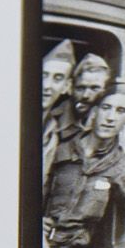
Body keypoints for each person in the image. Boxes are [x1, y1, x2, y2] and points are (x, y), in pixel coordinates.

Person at [43, 81, 125, 248]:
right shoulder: (59, 147)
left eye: (120, 111)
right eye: (106, 108)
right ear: (94, 112)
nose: (110, 117)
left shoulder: (122, 165)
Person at [40, 40, 79, 183]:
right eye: (43, 75)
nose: (47, 86)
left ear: (66, 87)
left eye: (57, 78)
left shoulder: (54, 134)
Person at [69, 53, 112, 128]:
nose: (85, 95)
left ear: (106, 90)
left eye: (94, 88)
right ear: (71, 88)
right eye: (80, 88)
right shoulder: (54, 119)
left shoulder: (111, 121)